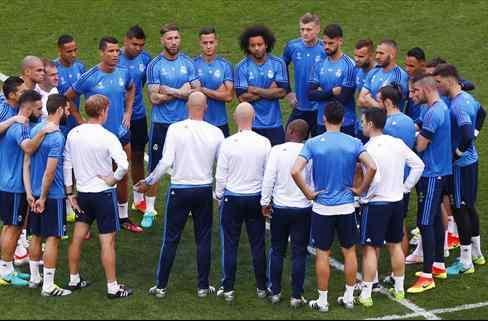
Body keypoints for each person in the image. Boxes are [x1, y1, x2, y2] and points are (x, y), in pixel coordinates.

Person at [135, 92, 224, 298]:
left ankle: (161, 286)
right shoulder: (216, 133)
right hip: (203, 190)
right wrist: (219, 194)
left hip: (179, 190)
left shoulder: (175, 129)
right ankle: (203, 287)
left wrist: (149, 182)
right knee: (203, 239)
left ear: (187, 107)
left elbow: (165, 162)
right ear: (206, 107)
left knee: (171, 238)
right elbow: (222, 167)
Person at [291, 101, 377, 312]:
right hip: (347, 206)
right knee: (349, 252)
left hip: (322, 208)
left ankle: (322, 300)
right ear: (343, 119)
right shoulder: (354, 142)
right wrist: (360, 190)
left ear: (324, 118)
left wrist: (308, 193)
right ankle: (348, 297)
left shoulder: (313, 143)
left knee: (323, 253)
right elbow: (373, 166)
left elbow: (295, 171)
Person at [65, 36, 141, 233]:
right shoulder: (90, 76)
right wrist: (80, 119)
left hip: (121, 134)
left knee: (123, 174)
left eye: (117, 51)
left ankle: (123, 216)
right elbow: (69, 98)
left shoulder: (124, 74)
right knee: (92, 176)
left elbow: (132, 88)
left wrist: (128, 111)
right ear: (101, 52)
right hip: (97, 139)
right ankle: (87, 220)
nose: (115, 55)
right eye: (111, 51)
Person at [64, 95, 132, 299]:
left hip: (83, 194)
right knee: (107, 242)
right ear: (102, 112)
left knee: (77, 238)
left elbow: (67, 164)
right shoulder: (107, 136)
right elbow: (124, 165)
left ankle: (73, 279)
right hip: (103, 195)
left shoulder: (73, 134)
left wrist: (69, 193)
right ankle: (112, 287)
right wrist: (113, 179)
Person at [358, 108, 424, 307]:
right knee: (395, 245)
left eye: (363, 121)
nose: (361, 124)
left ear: (370, 124)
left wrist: (366, 196)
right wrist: (405, 188)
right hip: (396, 201)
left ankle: (366, 293)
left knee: (370, 248)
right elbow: (418, 165)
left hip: (376, 203)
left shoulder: (367, 148)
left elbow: (374, 177)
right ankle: (399, 289)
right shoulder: (397, 143)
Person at [144, 23, 201, 228]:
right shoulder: (155, 65)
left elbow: (196, 90)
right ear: (162, 40)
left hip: (184, 124)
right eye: (169, 38)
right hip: (161, 123)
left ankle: (188, 206)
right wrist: (179, 92)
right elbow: (154, 98)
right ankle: (150, 209)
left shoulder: (188, 62)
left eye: (176, 38)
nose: (173, 42)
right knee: (155, 165)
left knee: (187, 165)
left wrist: (166, 90)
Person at [215, 102, 271, 302]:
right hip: (255, 197)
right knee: (258, 244)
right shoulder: (264, 142)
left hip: (233, 197)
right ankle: (262, 287)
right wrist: (265, 200)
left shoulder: (228, 143)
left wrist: (219, 196)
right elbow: (268, 174)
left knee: (230, 244)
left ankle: (228, 287)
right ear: (254, 117)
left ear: (235, 118)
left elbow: (221, 175)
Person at [433, 64, 486, 275]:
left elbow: (465, 136)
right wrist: (475, 134)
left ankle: (465, 261)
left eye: (438, 82)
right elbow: (482, 113)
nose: (436, 87)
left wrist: (454, 155)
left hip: (461, 166)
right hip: (471, 162)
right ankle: (477, 253)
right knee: (469, 206)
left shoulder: (457, 106)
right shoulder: (467, 98)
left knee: (460, 209)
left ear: (449, 80)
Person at [0, 90, 56, 286]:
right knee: (13, 227)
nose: (41, 112)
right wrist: (43, 131)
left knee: (11, 226)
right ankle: (5, 271)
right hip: (14, 185)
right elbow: (29, 148)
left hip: (10, 182)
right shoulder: (21, 126)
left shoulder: (18, 123)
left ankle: (6, 268)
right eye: (39, 108)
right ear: (27, 108)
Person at [407, 74, 452, 294]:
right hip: (439, 171)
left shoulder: (434, 112)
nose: (412, 95)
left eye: (415, 91)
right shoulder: (436, 108)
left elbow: (422, 145)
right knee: (433, 220)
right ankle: (438, 265)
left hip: (432, 173)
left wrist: (413, 139)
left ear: (425, 89)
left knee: (424, 222)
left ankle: (427, 277)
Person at [261, 119, 312, 308]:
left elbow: (269, 179)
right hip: (303, 209)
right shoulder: (310, 151)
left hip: (281, 209)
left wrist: (264, 202)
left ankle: (275, 291)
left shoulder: (277, 151)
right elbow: (313, 181)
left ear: (290, 130)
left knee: (277, 250)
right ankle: (296, 296)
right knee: (299, 253)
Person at [24, 94, 71, 296]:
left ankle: (35, 278)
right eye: (67, 109)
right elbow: (50, 172)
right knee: (52, 237)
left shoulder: (36, 130)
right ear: (59, 110)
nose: (69, 112)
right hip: (51, 196)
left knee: (35, 235)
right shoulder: (57, 136)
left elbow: (26, 162)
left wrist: (30, 194)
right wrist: (43, 197)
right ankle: (49, 285)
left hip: (33, 193)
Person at [235, 25, 289, 146]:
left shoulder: (278, 63)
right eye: (253, 45)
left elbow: (282, 92)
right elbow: (242, 98)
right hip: (251, 125)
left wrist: (255, 89)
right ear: (247, 47)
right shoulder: (241, 67)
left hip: (274, 125)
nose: (257, 48)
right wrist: (270, 91)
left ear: (267, 44)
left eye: (260, 44)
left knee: (275, 161)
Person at [118, 25, 152, 214]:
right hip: (116, 117)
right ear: (126, 41)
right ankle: (115, 199)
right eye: (134, 44)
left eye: (141, 45)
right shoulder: (116, 58)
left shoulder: (145, 59)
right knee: (115, 158)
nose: (138, 48)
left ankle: (138, 198)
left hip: (138, 115)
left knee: (138, 155)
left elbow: (141, 83)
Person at [308, 24, 357, 136]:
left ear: (340, 41)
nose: (326, 47)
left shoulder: (349, 65)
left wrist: (321, 93)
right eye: (324, 43)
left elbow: (343, 98)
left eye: (331, 43)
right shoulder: (319, 65)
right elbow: (310, 94)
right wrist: (332, 92)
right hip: (322, 122)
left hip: (344, 122)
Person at [283, 13, 325, 136]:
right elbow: (281, 67)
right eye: (302, 29)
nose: (305, 33)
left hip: (319, 107)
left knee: (318, 145)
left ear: (317, 29)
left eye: (309, 29)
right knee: (289, 138)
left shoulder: (325, 48)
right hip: (299, 105)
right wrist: (288, 92)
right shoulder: (292, 46)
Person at [194, 27, 234, 137]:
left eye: (211, 42)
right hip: (199, 124)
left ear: (216, 42)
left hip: (220, 123)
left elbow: (229, 96)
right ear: (200, 43)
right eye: (205, 43)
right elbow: (191, 94)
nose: (208, 46)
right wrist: (219, 92)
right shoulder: (192, 65)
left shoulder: (225, 66)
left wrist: (202, 89)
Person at [357, 40, 409, 110]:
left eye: (381, 53)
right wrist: (377, 105)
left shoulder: (399, 76)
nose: (377, 56)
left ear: (392, 55)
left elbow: (387, 107)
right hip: (369, 119)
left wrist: (368, 98)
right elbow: (360, 101)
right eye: (377, 53)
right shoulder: (374, 71)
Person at [54, 34, 86, 134]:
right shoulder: (52, 70)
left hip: (74, 119)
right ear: (59, 50)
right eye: (69, 51)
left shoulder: (79, 67)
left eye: (75, 50)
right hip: (58, 121)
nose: (73, 54)